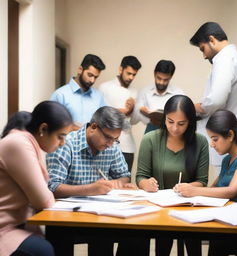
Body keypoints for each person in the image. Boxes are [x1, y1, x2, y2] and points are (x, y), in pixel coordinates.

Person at [46, 106, 147, 256]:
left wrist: (116, 184)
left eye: (115, 139)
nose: (110, 144)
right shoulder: (66, 144)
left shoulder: (111, 146)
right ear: (93, 127)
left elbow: (124, 175)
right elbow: (52, 188)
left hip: (102, 213)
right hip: (68, 216)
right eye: (108, 137)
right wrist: (90, 189)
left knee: (138, 233)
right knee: (58, 234)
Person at [174, 110, 237, 255]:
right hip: (228, 222)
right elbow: (213, 189)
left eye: (215, 139)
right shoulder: (227, 159)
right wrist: (189, 188)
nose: (211, 144)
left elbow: (232, 191)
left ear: (230, 135)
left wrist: (195, 191)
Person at [136, 95, 209, 256]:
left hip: (189, 207)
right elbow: (140, 176)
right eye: (170, 121)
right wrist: (145, 184)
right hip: (158, 208)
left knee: (193, 246)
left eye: (181, 123)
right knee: (161, 245)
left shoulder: (200, 141)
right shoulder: (150, 139)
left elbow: (202, 181)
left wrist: (190, 188)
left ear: (190, 122)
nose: (175, 128)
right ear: (164, 118)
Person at [0, 101, 73, 256]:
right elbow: (44, 201)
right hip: (5, 227)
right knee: (43, 249)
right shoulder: (18, 144)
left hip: (19, 223)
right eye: (60, 136)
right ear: (43, 129)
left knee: (60, 237)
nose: (62, 143)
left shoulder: (26, 142)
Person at [190, 22, 237, 175]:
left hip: (223, 137)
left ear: (212, 40)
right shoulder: (234, 57)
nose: (204, 55)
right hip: (230, 135)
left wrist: (194, 107)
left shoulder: (224, 59)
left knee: (225, 188)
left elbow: (216, 100)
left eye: (203, 49)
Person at [98, 55, 142, 172]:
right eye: (128, 73)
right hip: (106, 145)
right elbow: (99, 116)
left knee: (124, 182)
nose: (131, 77)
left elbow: (134, 121)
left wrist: (132, 109)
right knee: (106, 183)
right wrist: (120, 112)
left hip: (127, 146)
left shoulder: (134, 91)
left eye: (134, 74)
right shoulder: (105, 88)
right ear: (120, 69)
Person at [50, 54, 106, 128]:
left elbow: (104, 122)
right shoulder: (60, 95)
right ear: (80, 69)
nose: (92, 80)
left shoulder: (99, 97)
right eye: (90, 75)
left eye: (96, 77)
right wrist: (71, 127)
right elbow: (51, 123)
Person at [131, 59, 184, 133]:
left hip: (172, 133)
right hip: (150, 131)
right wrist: (138, 110)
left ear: (171, 77)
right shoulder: (145, 92)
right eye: (159, 78)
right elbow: (133, 121)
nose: (161, 82)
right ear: (154, 74)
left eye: (165, 80)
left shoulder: (178, 94)